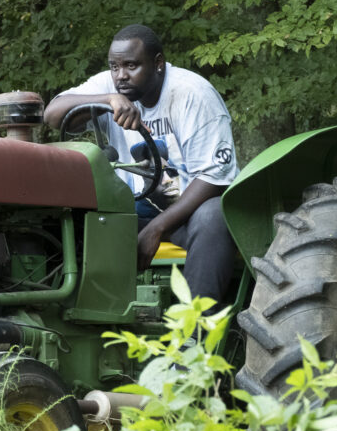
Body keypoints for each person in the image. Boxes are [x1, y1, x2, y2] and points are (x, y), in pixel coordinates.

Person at [44, 24, 238, 304]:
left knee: (214, 215)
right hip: (134, 211)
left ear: (158, 63)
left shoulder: (192, 94)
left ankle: (195, 331)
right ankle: (76, 316)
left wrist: (156, 229)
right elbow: (52, 114)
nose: (121, 76)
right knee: (67, 218)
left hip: (189, 213)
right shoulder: (110, 87)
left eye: (132, 66)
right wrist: (109, 99)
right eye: (114, 67)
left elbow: (214, 178)